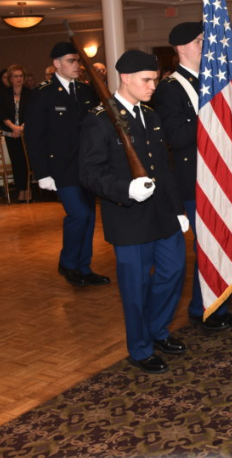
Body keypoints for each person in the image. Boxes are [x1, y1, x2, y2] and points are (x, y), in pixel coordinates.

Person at [79, 50, 189, 374]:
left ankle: (157, 330)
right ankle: (140, 348)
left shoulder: (151, 116)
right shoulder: (99, 119)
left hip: (162, 214)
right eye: (147, 80)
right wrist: (125, 189)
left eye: (155, 79)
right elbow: (88, 172)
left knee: (173, 272)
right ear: (125, 78)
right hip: (128, 218)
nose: (153, 85)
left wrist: (178, 209)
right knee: (135, 288)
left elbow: (164, 169)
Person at [151, 21, 232, 331]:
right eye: (198, 41)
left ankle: (214, 304)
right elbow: (176, 137)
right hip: (194, 180)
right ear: (181, 48)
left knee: (220, 242)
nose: (205, 45)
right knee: (206, 246)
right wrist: (211, 113)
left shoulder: (213, 82)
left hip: (222, 174)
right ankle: (205, 308)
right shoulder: (170, 88)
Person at [25, 42, 108, 287]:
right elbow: (34, 136)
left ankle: (84, 266)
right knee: (79, 214)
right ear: (57, 64)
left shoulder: (85, 91)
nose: (77, 66)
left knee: (90, 217)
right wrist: (42, 173)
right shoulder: (43, 93)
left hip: (87, 166)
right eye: (71, 61)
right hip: (61, 168)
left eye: (78, 61)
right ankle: (68, 263)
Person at [0, 64, 31, 202]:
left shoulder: (30, 93)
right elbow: (1, 113)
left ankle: (28, 189)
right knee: (16, 162)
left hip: (26, 133)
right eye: (15, 76)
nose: (19, 79)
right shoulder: (4, 94)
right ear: (10, 78)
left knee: (27, 162)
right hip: (10, 132)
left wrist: (21, 128)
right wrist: (13, 127)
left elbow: (32, 113)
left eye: (21, 76)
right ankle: (20, 191)